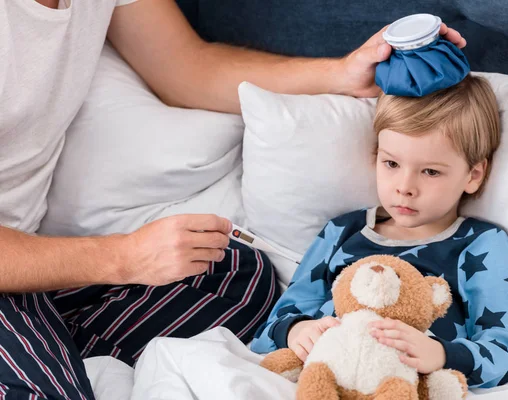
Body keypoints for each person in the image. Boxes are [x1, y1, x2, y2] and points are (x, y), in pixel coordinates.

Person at [0, 0, 467, 397]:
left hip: (31, 271)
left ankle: (44, 343)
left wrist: (343, 74)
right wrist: (122, 257)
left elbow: (184, 66)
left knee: (236, 273)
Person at [251, 74, 508, 389]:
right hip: (326, 380)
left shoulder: (479, 244)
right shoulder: (342, 230)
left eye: (431, 171)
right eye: (392, 164)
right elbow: (270, 328)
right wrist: (297, 331)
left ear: (473, 175)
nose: (405, 188)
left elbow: (507, 350)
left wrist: (440, 354)